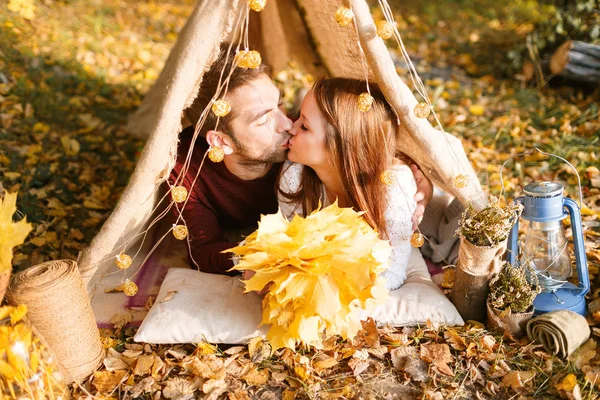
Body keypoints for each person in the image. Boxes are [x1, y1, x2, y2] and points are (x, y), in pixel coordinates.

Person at [169, 45, 432, 275]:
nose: (287, 124)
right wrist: (269, 258)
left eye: (280, 105)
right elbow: (202, 252)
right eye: (263, 119)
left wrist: (418, 181)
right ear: (222, 141)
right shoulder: (186, 174)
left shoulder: (297, 143)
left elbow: (356, 143)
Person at [278, 78, 416, 290]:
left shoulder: (392, 188)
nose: (291, 127)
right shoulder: (294, 178)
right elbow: (295, 249)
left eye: (304, 126)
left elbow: (393, 271)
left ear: (341, 148)